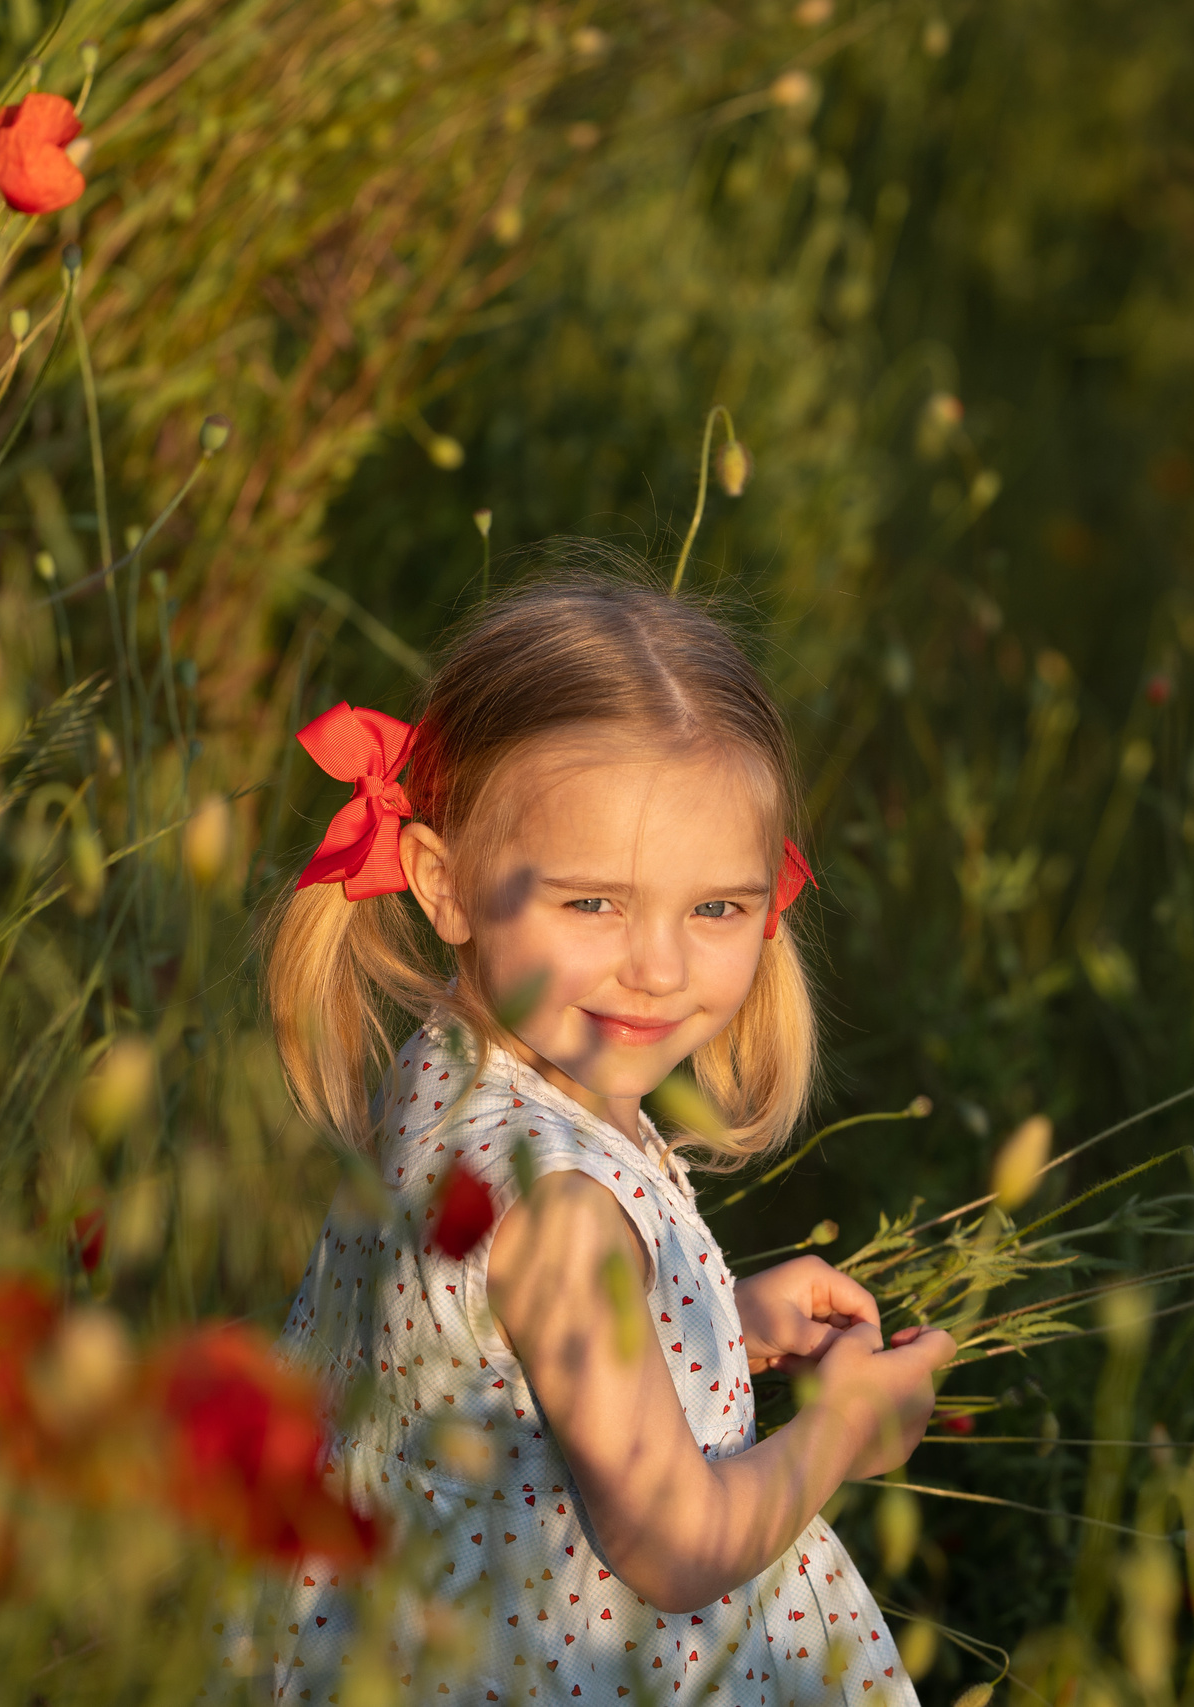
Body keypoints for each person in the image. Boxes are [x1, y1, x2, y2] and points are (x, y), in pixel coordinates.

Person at [245, 570, 953, 1704]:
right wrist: (842, 1433)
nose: (659, 968)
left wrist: (716, 1325)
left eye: (715, 908)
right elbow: (674, 1548)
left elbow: (490, 1360)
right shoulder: (565, 1206)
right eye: (595, 904)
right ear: (445, 883)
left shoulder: (455, 1073)